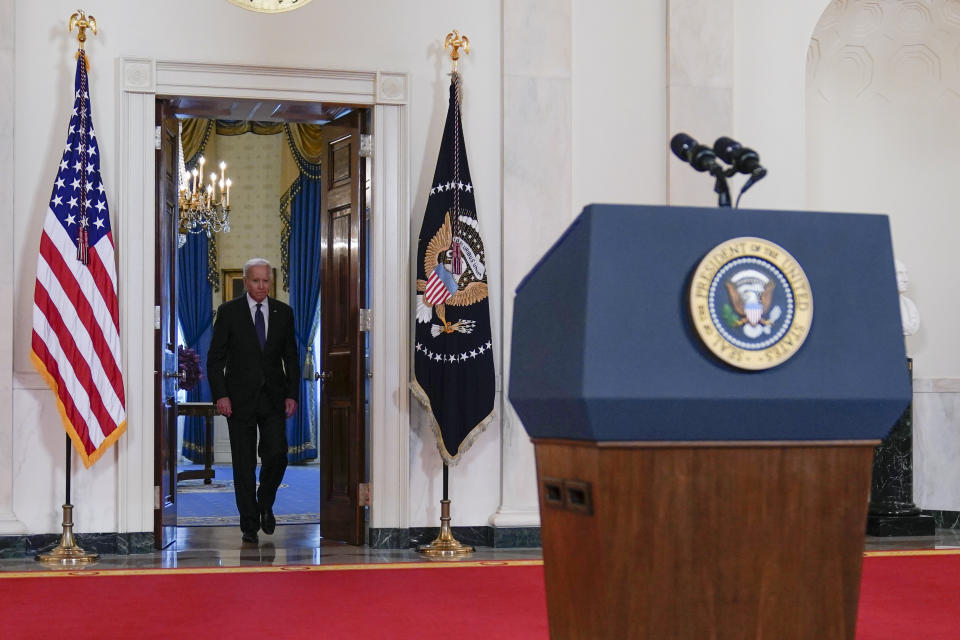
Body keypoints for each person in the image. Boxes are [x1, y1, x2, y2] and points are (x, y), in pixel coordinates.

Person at [207, 258, 299, 544]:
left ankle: (265, 503)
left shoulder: (283, 312)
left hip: (273, 399)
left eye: (266, 281)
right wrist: (221, 394)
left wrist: (292, 394)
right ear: (246, 281)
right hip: (238, 400)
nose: (261, 286)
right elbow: (215, 358)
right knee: (243, 464)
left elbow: (291, 358)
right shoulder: (229, 312)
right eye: (256, 281)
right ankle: (249, 524)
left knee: (277, 455)